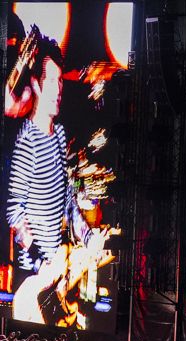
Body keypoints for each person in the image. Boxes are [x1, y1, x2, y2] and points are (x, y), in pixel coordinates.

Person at [4, 36, 101, 326]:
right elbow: (14, 211)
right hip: (33, 276)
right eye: (51, 81)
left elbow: (67, 202)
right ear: (35, 84)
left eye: (60, 82)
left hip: (54, 272)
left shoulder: (58, 136)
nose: (58, 89)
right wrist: (38, 258)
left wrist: (87, 235)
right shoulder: (27, 141)